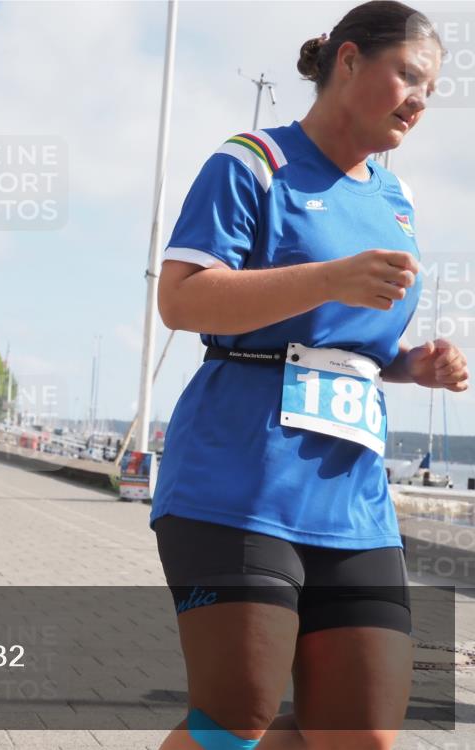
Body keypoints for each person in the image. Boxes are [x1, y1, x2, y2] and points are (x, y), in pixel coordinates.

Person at [150, 3, 469, 749]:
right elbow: (182, 299)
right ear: (350, 61)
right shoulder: (253, 161)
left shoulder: (396, 198)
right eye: (410, 77)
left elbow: (338, 339)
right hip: (239, 485)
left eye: (432, 88)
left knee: (360, 735)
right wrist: (330, 278)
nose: (422, 101)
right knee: (234, 722)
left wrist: (407, 365)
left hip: (354, 499)